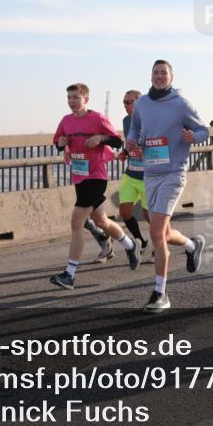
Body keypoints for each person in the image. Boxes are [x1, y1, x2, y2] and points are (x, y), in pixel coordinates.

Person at [126, 60, 208, 312]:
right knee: (162, 231)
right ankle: (192, 246)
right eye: (156, 72)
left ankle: (160, 292)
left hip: (174, 172)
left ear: (171, 77)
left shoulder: (181, 103)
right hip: (150, 173)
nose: (159, 76)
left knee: (156, 231)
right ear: (150, 76)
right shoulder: (142, 104)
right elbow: (135, 129)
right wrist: (131, 143)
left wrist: (192, 136)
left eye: (164, 73)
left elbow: (203, 130)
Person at [50, 84, 137, 288]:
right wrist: (62, 143)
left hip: (96, 176)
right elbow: (58, 144)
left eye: (76, 97)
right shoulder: (66, 121)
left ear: (86, 99)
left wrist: (101, 138)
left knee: (76, 221)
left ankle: (69, 274)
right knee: (100, 220)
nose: (72, 101)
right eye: (69, 97)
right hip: (79, 176)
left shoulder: (97, 118)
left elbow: (116, 142)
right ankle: (130, 244)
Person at [118, 89, 150, 253]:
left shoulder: (151, 119)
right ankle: (141, 241)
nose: (126, 105)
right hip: (131, 174)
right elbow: (129, 143)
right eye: (124, 102)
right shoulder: (126, 121)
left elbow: (160, 144)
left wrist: (144, 150)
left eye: (130, 102)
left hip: (148, 176)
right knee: (124, 212)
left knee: (149, 215)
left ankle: (159, 245)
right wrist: (124, 152)